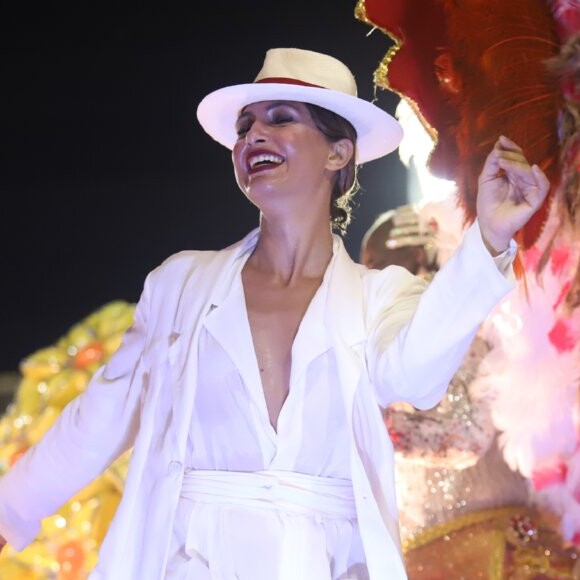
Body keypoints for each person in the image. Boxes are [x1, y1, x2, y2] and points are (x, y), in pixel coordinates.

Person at [0, 47, 548, 579]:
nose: (253, 136)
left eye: (280, 119)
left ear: (339, 153)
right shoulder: (182, 284)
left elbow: (416, 377)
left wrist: (490, 236)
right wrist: (9, 510)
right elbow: (101, 416)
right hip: (191, 557)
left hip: (324, 561)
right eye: (244, 128)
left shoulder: (379, 296)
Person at [361, 204, 580, 578]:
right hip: (439, 555)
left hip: (490, 555)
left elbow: (465, 434)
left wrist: (359, 417)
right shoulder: (392, 345)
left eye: (375, 263)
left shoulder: (459, 331)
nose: (366, 279)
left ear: (417, 256)